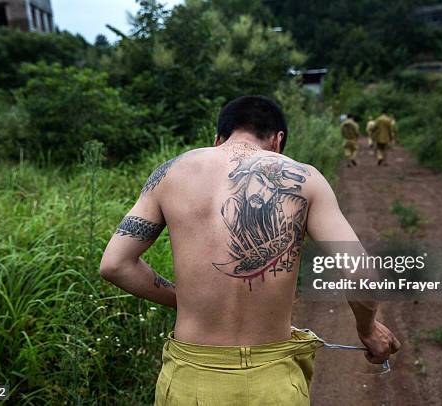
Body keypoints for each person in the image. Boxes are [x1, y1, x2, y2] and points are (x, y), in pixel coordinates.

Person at [100, 96, 400, 405]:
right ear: (277, 140)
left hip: (190, 379)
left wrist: (184, 299)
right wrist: (367, 329)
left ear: (218, 138)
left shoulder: (171, 172)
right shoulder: (306, 178)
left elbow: (115, 265)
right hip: (271, 382)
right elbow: (363, 275)